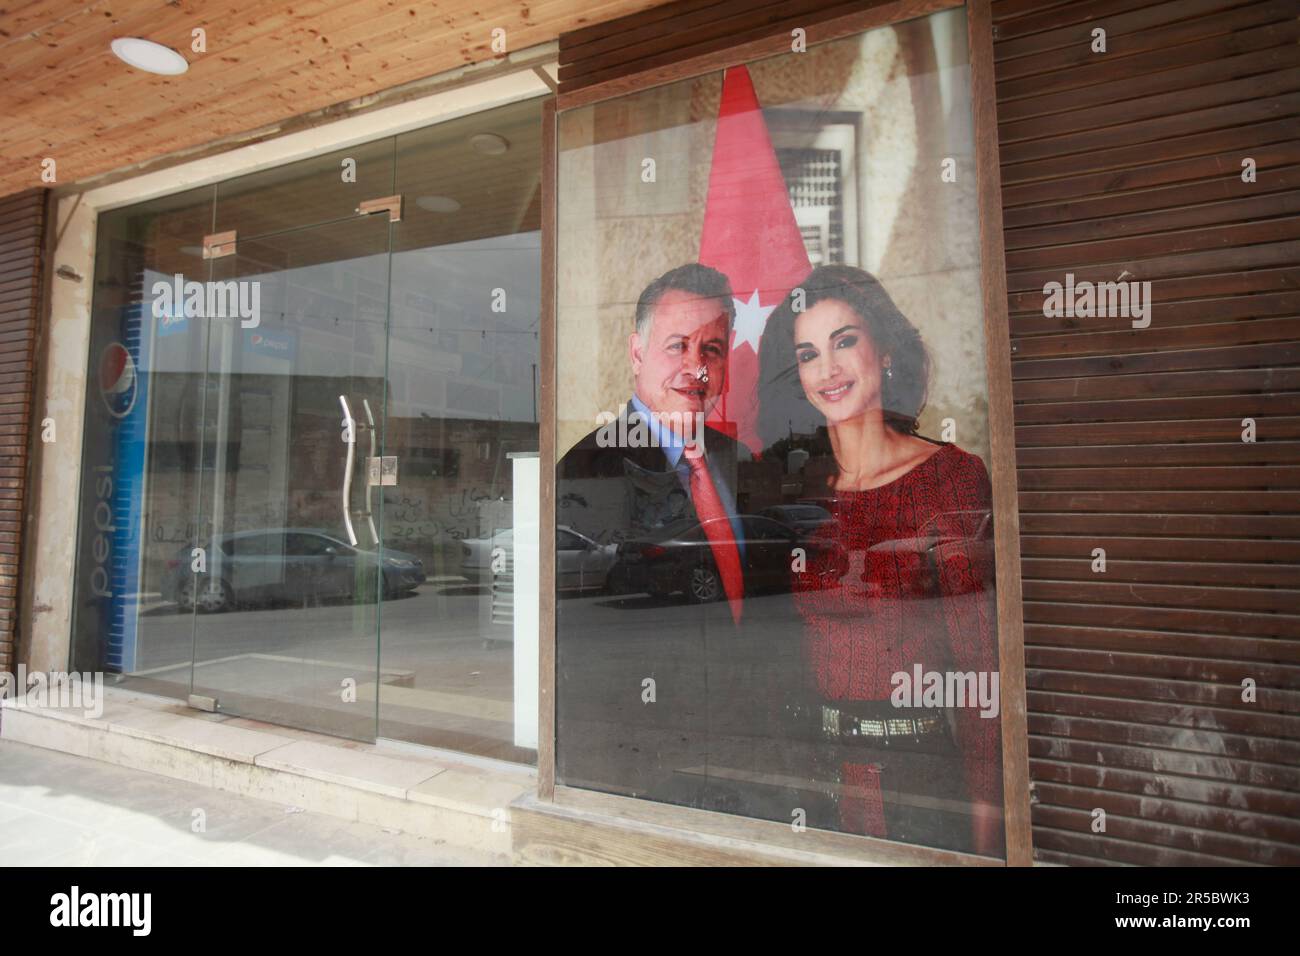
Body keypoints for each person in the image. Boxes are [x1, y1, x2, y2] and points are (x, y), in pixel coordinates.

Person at [757, 264, 1004, 856]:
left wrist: (986, 839)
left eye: (845, 341)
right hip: (813, 785)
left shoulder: (952, 478)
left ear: (885, 349)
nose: (829, 369)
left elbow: (979, 679)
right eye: (809, 354)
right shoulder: (796, 491)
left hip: (920, 784)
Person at [555, 263, 755, 811]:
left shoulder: (737, 460)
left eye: (711, 349)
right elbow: (590, 615)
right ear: (637, 353)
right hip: (640, 741)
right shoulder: (589, 465)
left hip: (740, 725)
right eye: (677, 346)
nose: (696, 368)